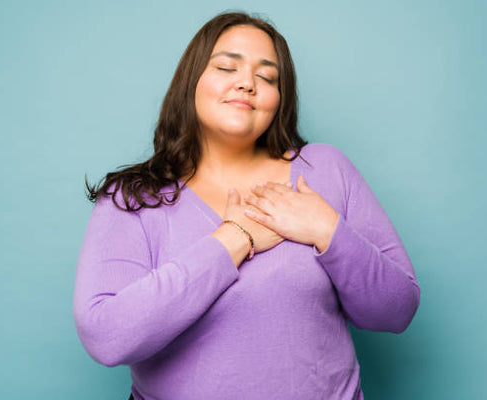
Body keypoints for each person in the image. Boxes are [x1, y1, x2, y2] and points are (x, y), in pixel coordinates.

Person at [73, 11, 420, 400]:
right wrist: (232, 240)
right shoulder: (134, 198)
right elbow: (106, 336)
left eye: (267, 77)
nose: (247, 84)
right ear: (192, 82)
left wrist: (326, 228)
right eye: (226, 67)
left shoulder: (324, 169)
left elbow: (397, 309)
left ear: (279, 100)